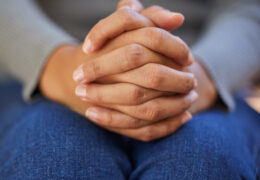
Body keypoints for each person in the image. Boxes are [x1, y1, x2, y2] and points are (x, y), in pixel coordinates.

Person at [0, 0, 259, 179]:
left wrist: (198, 77)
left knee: (204, 156)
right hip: (32, 72)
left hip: (208, 72)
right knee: (52, 153)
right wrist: (60, 66)